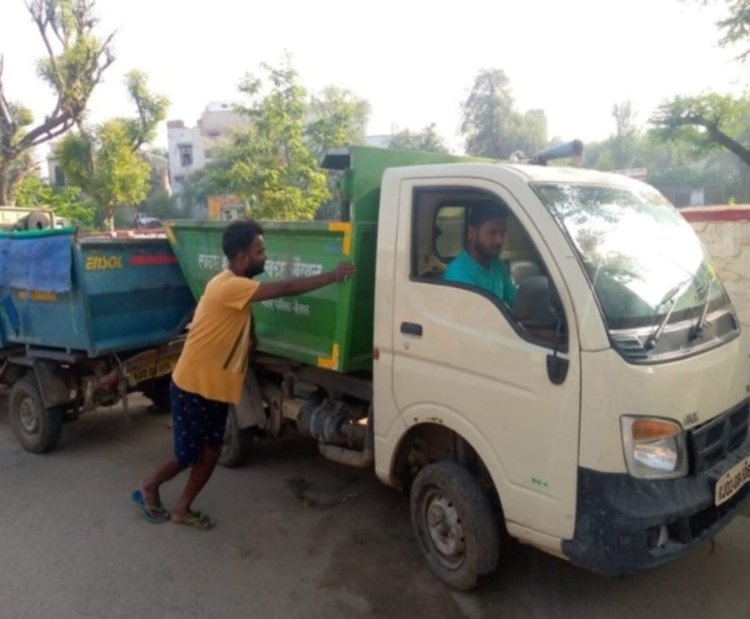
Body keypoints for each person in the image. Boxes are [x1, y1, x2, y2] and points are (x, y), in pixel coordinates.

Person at [132, 219, 355, 530]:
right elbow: (287, 288)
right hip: (193, 387)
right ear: (241, 258)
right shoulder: (229, 285)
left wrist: (249, 342)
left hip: (218, 389)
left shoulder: (229, 283)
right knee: (187, 454)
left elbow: (238, 321)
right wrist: (333, 275)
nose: (265, 256)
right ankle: (149, 486)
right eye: (260, 251)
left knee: (211, 453)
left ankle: (182, 509)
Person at [443, 201, 517, 306]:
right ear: (472, 233)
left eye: (502, 233)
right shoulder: (458, 274)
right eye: (493, 232)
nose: (499, 241)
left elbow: (514, 301)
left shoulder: (497, 264)